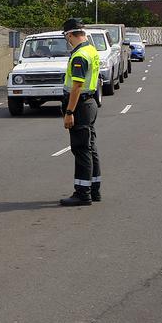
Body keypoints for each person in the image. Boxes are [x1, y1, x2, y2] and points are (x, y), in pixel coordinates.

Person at [59, 17, 102, 206]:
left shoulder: (79, 56)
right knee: (90, 148)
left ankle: (82, 193)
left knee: (81, 149)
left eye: (66, 36)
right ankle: (94, 190)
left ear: (69, 35)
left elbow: (76, 86)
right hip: (90, 102)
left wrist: (69, 112)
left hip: (80, 105)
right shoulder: (91, 50)